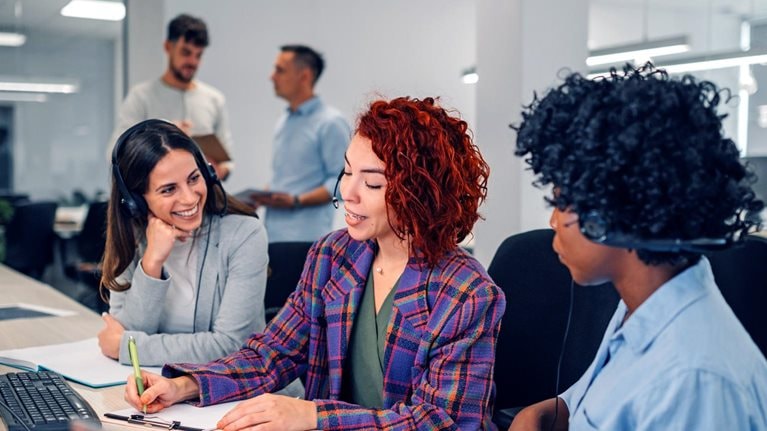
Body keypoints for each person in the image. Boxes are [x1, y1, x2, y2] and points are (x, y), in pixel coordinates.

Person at [124, 97, 506, 430]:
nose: (348, 192)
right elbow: (274, 353)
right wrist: (185, 386)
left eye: (372, 184)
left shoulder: (466, 294)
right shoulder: (333, 255)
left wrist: (312, 417)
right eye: (347, 171)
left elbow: (441, 421)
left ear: (419, 192)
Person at [510, 65, 767, 430]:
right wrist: (553, 410)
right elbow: (605, 399)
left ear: (614, 212)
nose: (553, 221)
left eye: (562, 201)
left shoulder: (693, 381)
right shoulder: (640, 307)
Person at [97, 119, 265, 367]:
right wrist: (152, 262)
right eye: (168, 190)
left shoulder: (244, 235)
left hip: (233, 391)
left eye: (194, 178)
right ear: (136, 201)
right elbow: (126, 327)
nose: (189, 198)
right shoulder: (132, 236)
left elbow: (231, 345)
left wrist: (130, 346)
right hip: (161, 389)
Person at [109, 14, 234, 180]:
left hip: (204, 197)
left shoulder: (214, 99)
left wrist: (220, 170)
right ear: (168, 47)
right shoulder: (141, 97)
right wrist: (164, 136)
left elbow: (227, 161)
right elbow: (116, 153)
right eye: (186, 52)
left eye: (198, 55)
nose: (193, 62)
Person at [251, 45, 350, 242]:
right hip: (273, 236)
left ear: (304, 76)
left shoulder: (330, 122)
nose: (272, 77)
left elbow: (343, 181)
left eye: (280, 70)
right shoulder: (284, 121)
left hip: (306, 240)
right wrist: (263, 195)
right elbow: (289, 178)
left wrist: (297, 200)